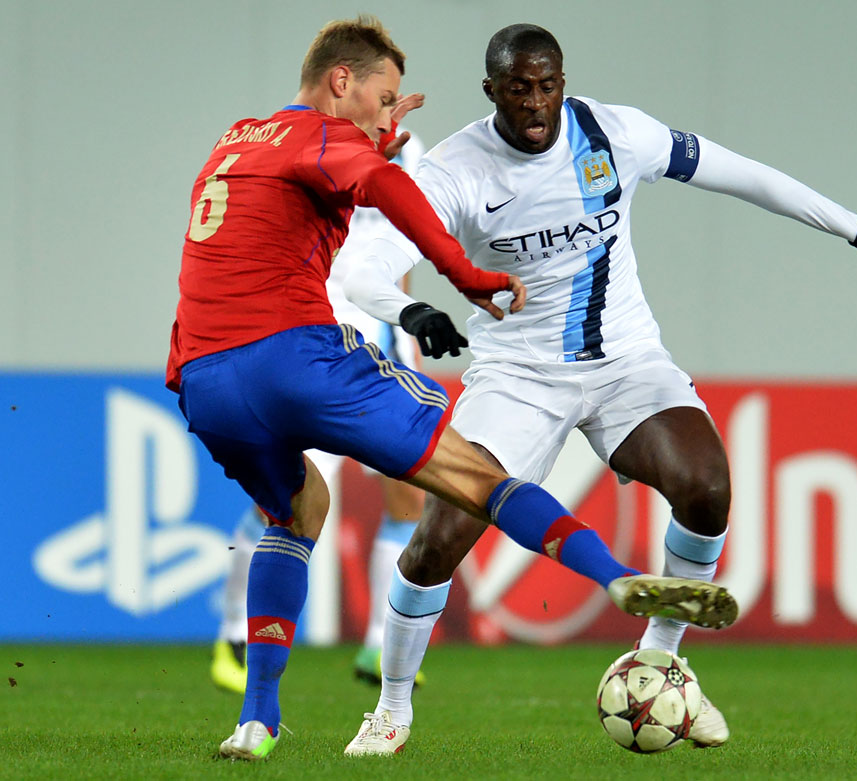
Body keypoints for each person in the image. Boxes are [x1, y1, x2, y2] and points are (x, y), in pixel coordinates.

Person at [342, 23, 857, 754]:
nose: (535, 104)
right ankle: (390, 707)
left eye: (547, 85)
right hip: (517, 377)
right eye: (518, 89)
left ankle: (661, 663)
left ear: (562, 82)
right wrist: (407, 309)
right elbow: (362, 267)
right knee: (437, 542)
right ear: (492, 92)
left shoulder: (615, 135)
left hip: (626, 360)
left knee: (707, 486)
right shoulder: (455, 170)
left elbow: (739, 172)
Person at [166, 16, 737, 762]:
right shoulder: (333, 139)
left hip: (201, 372)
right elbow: (381, 185)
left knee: (297, 507)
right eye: (384, 95)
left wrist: (370, 138)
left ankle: (258, 718)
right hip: (297, 356)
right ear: (342, 81)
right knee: (473, 471)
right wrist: (460, 275)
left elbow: (310, 192)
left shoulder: (239, 137)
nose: (389, 110)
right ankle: (620, 577)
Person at [208, 124, 430, 694]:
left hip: (382, 348)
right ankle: (234, 633)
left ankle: (381, 643)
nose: (383, 101)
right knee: (284, 501)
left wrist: (404, 338)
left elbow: (401, 252)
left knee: (408, 496)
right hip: (318, 348)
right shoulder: (308, 144)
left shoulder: (407, 147)